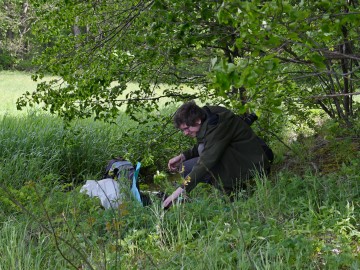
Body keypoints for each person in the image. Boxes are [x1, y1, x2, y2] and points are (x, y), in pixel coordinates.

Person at [163, 100, 271, 208]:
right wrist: (183, 156)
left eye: (186, 128)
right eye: (183, 130)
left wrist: (179, 191)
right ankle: (235, 187)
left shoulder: (217, 124)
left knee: (208, 165)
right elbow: (208, 144)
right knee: (185, 167)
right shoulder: (205, 116)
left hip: (253, 162)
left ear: (197, 120)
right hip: (237, 157)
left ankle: (237, 195)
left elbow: (206, 162)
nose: (185, 133)